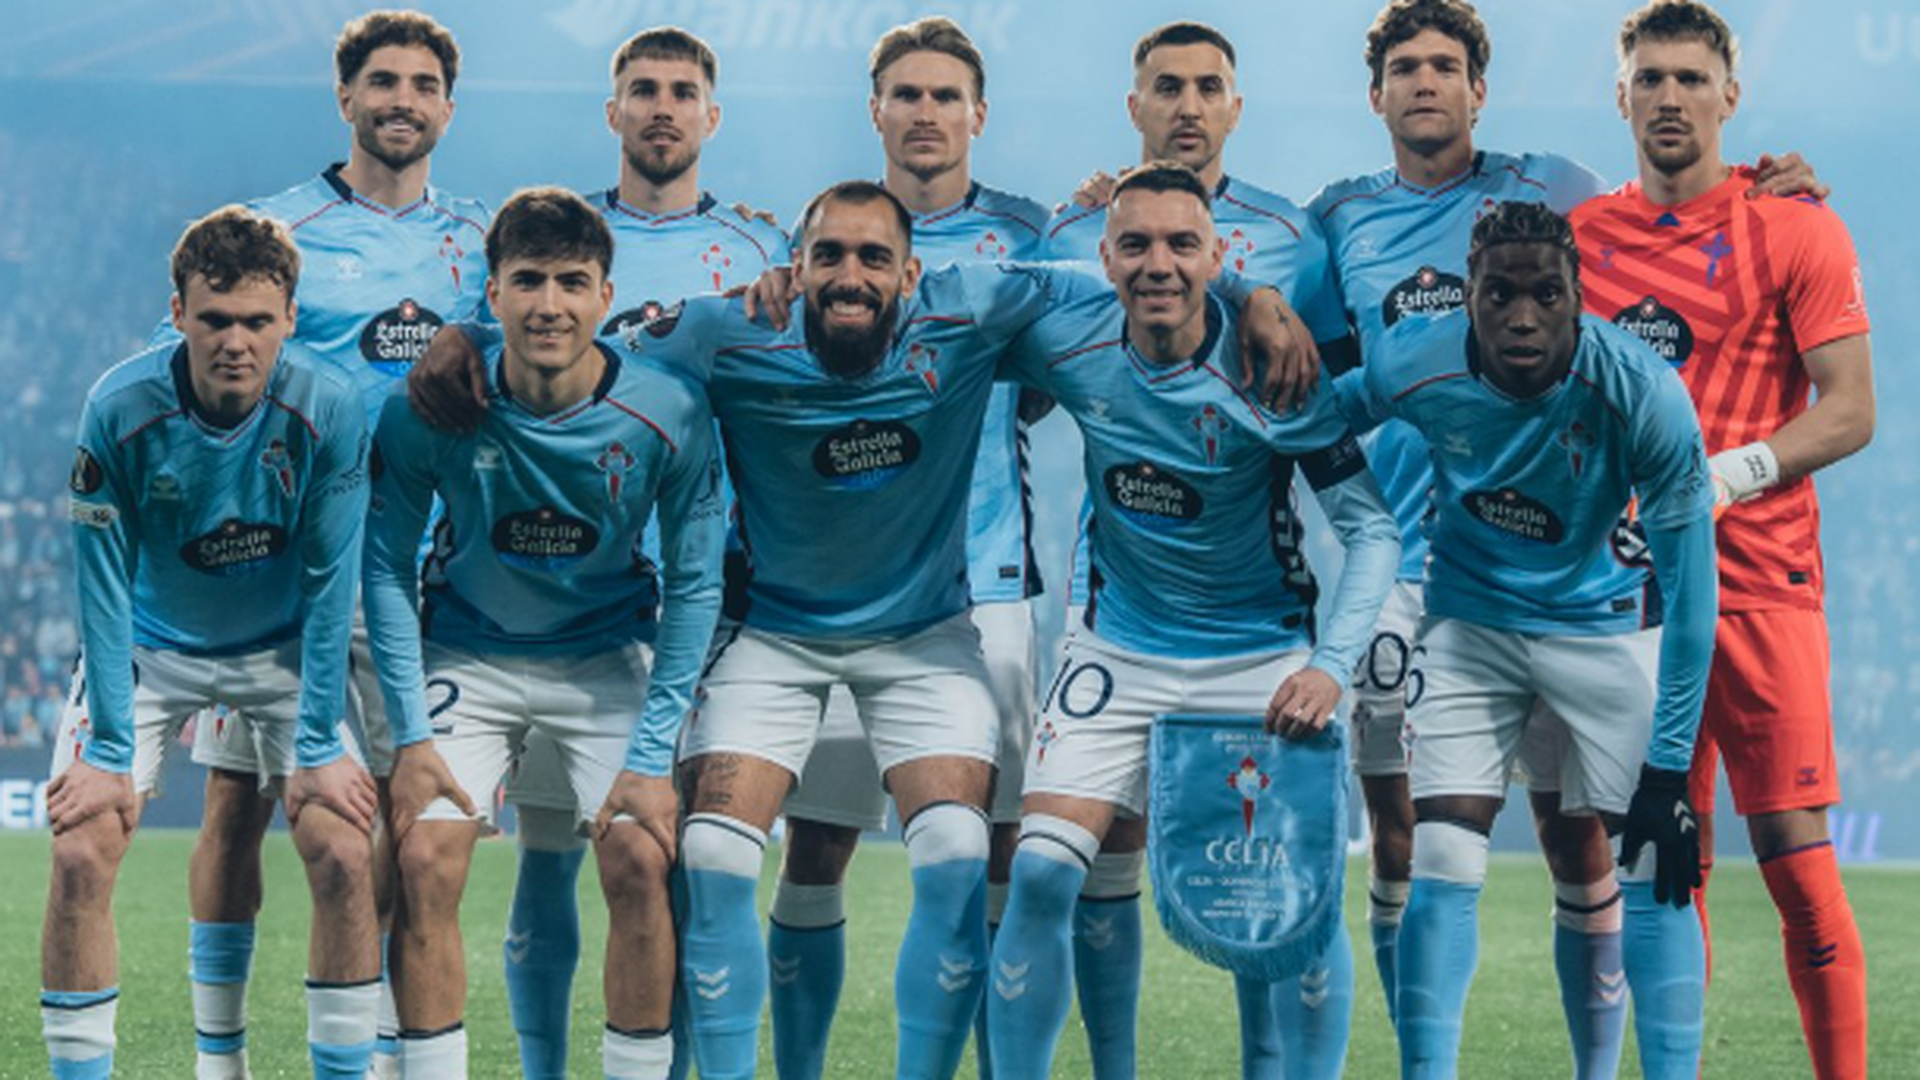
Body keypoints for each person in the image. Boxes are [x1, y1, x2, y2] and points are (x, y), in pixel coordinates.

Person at [985, 161, 1400, 1080]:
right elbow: (953, 298)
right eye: (1135, 245)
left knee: (1293, 905)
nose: (1158, 264)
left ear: (1217, 258)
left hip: (1260, 657)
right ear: (1105, 258)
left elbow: (1373, 531)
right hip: (1119, 649)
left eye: (1183, 245)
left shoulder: (1273, 369)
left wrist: (1331, 666)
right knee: (1041, 872)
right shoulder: (1068, 332)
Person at [148, 13, 489, 1075]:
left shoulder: (481, 245)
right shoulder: (276, 232)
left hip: (409, 568)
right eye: (382, 81)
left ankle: (376, 1050)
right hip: (275, 576)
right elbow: (184, 376)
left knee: (388, 816)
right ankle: (220, 1056)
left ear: (448, 106)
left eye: (423, 84)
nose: (401, 100)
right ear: (345, 97)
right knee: (235, 805)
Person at [1338, 200, 1717, 1080]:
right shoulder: (1413, 358)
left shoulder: (1643, 392)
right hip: (1470, 623)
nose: (1521, 316)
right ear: (1467, 294)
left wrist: (1669, 771)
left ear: (1579, 298)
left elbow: (1695, 600)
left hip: (1606, 624)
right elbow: (1324, 419)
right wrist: (1360, 525)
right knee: (1441, 852)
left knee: (1654, 860)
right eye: (1499, 294)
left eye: (1545, 294)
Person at [1041, 23, 1354, 1076]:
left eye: (1208, 86)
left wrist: (1258, 302)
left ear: (1235, 105)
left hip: (1258, 611)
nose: (1187, 104)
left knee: (1279, 891)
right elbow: (1024, 354)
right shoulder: (1080, 228)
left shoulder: (1297, 238)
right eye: (1166, 86)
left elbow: (1331, 388)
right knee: (1082, 860)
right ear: (1133, 105)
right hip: (1117, 612)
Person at [478, 27, 788, 1080]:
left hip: (709, 592)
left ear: (712, 116)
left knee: (673, 857)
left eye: (683, 91)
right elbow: (469, 354)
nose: (663, 106)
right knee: (546, 851)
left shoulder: (762, 251)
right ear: (612, 111)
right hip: (562, 590)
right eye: (643, 89)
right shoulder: (553, 240)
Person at [1572, 3, 1875, 1075]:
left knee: (1796, 858)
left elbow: (1851, 409)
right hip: (1633, 598)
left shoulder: (1794, 226)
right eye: (1650, 78)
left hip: (1759, 585)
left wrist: (1722, 479)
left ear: (1729, 97)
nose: (1670, 98)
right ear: (1621, 96)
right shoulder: (1582, 239)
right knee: (1666, 859)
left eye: (1692, 79)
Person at [363, 187, 724, 1080]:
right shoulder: (428, 408)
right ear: (491, 295)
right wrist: (410, 736)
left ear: (607, 296)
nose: (549, 305)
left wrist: (653, 753)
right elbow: (385, 568)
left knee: (641, 854)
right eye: (527, 281)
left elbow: (695, 584)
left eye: (572, 282)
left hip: (605, 652)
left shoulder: (669, 411)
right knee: (424, 856)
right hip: (470, 650)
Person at [760, 19, 1053, 1080]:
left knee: (992, 844)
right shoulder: (815, 245)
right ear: (875, 110)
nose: (926, 113)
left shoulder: (1032, 236)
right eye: (907, 95)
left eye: (945, 96)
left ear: (979, 114)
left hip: (989, 584)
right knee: (818, 837)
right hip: (838, 590)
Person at [45, 206, 377, 1079]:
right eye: (215, 319)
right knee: (80, 847)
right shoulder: (118, 408)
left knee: (345, 849)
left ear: (290, 318)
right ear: (178, 312)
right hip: (150, 647)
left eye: (257, 321)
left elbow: (330, 581)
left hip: (281, 645)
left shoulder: (330, 406)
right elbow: (102, 586)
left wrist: (318, 743)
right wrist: (106, 752)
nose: (235, 342)